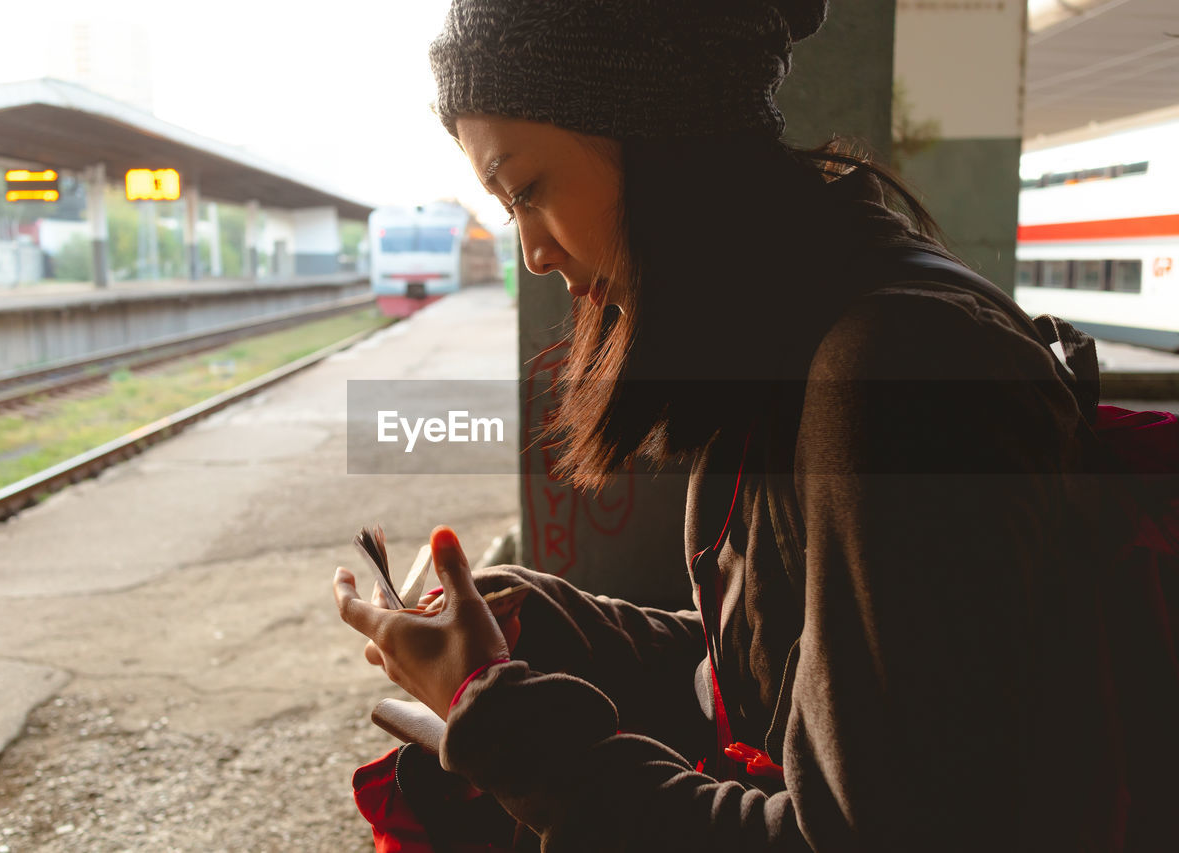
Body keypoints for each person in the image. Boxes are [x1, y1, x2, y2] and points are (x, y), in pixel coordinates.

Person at [335, 1, 1174, 849]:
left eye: (527, 190)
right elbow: (766, 678)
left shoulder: (891, 376)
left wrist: (505, 727)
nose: (533, 253)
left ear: (654, 123)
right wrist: (555, 625)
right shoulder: (796, 325)